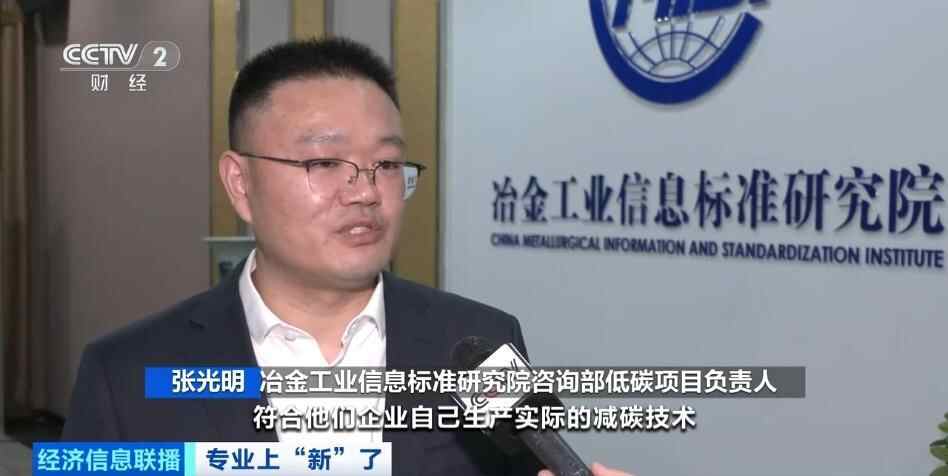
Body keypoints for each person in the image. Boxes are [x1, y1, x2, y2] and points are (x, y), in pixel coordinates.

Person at [61, 36, 633, 476]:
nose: (365, 191)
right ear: (240, 184)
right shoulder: (125, 375)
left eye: (386, 164)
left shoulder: (477, 343)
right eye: (324, 163)